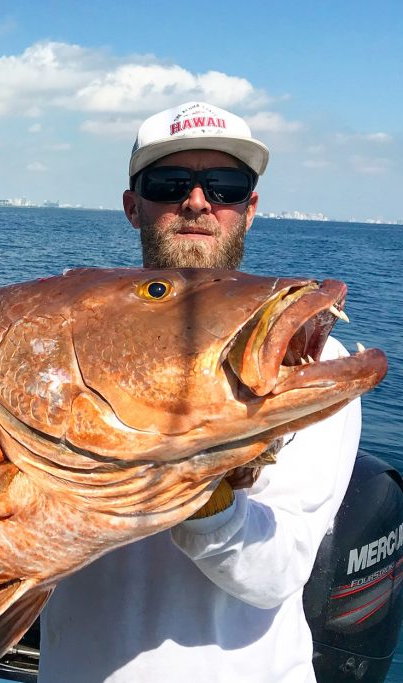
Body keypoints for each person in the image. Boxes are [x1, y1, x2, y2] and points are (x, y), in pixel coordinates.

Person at [37, 102, 362, 682]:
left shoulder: (308, 362)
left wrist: (203, 492)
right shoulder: (64, 352)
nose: (196, 202)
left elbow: (279, 571)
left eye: (225, 186)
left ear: (250, 210)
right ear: (133, 208)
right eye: (168, 184)